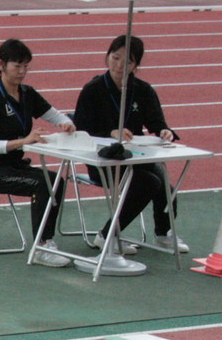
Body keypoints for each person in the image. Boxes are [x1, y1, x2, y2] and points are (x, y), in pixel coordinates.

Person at [71, 34, 185, 254]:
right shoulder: (92, 90)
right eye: (115, 57)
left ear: (136, 65)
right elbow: (81, 128)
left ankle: (164, 233)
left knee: (162, 177)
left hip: (136, 157)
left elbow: (157, 122)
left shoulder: (142, 90)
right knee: (148, 182)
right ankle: (107, 235)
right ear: (107, 57)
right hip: (102, 161)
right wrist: (111, 132)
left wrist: (164, 131)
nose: (120, 65)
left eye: (128, 61)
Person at [0, 38, 75, 267]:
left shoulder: (27, 93)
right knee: (42, 184)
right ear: (1, 65)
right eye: (17, 66)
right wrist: (24, 141)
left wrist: (66, 123)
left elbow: (54, 114)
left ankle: (46, 241)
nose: (22, 71)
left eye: (26, 66)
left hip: (14, 166)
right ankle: (41, 247)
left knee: (54, 180)